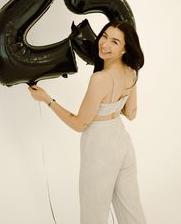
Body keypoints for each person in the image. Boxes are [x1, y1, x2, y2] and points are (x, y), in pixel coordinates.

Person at [28, 20, 147, 224]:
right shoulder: (131, 71)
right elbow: (131, 113)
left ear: (125, 49)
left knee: (94, 214)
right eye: (104, 36)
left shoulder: (101, 79)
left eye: (115, 42)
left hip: (100, 147)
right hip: (122, 143)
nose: (105, 44)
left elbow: (79, 124)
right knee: (131, 210)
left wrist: (48, 100)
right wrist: (114, 105)